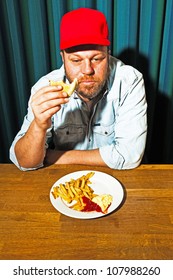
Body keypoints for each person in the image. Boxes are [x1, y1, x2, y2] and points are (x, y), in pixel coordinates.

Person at [9, 7, 147, 171]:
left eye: (97, 58)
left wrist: (52, 156)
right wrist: (39, 125)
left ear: (108, 54)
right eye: (76, 60)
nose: (87, 70)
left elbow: (129, 156)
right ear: (63, 57)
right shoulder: (46, 86)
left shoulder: (129, 81)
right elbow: (24, 162)